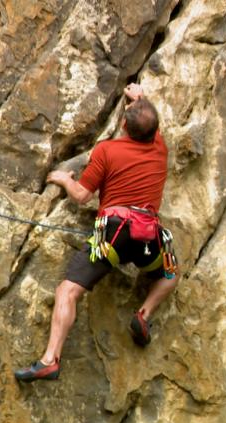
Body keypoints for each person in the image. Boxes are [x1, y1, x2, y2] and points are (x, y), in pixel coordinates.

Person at [14, 83, 178, 382]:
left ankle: (50, 360)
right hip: (147, 236)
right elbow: (149, 125)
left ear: (125, 127)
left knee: (68, 291)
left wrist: (65, 180)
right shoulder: (159, 148)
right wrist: (141, 101)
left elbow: (82, 196)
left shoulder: (107, 150)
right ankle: (143, 314)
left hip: (113, 236)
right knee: (169, 274)